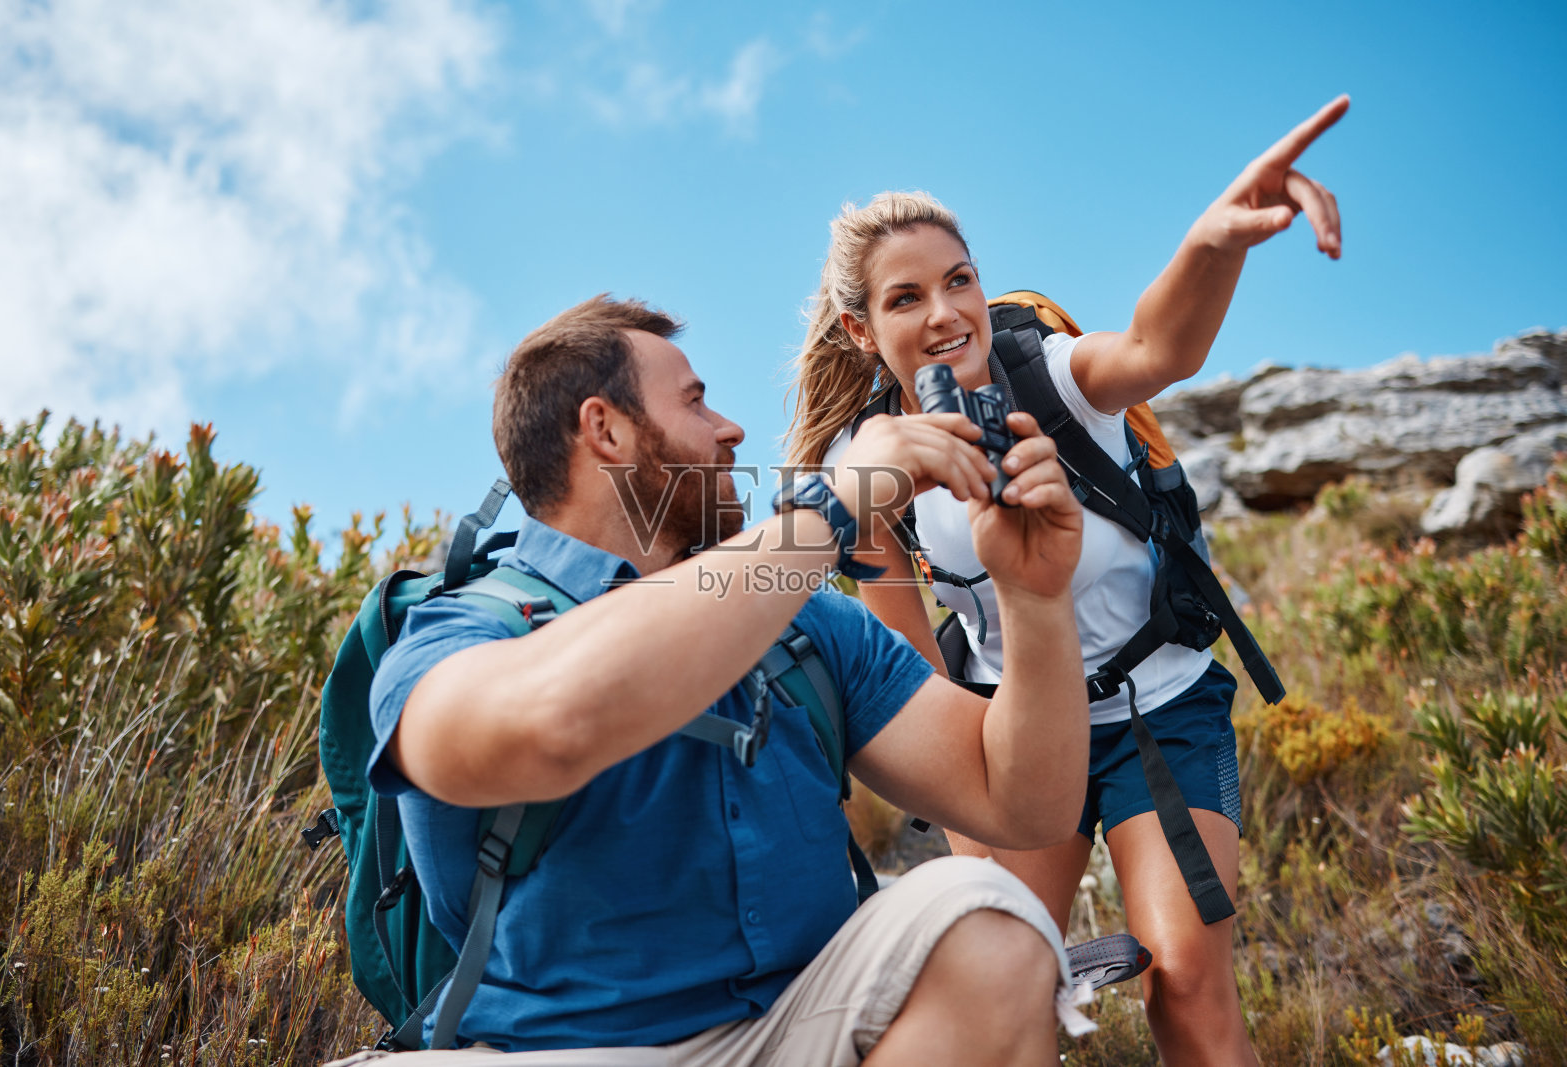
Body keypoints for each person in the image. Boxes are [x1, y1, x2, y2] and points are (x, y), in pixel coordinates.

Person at [329, 293, 1097, 1066]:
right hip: (555, 1050)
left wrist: (1033, 596)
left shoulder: (809, 629)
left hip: (796, 1033)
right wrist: (829, 512)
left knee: (991, 916)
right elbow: (553, 724)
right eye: (696, 401)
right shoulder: (456, 635)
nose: (731, 428)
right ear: (607, 429)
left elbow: (1026, 800)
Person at [781, 96, 1349, 1066]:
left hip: (1158, 710)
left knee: (1185, 982)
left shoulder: (1042, 372)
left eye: (958, 280)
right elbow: (917, 679)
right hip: (1015, 729)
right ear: (860, 328)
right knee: (1005, 989)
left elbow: (1153, 347)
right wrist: (975, 843)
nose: (945, 310)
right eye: (905, 296)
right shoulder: (871, 477)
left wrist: (1215, 238)